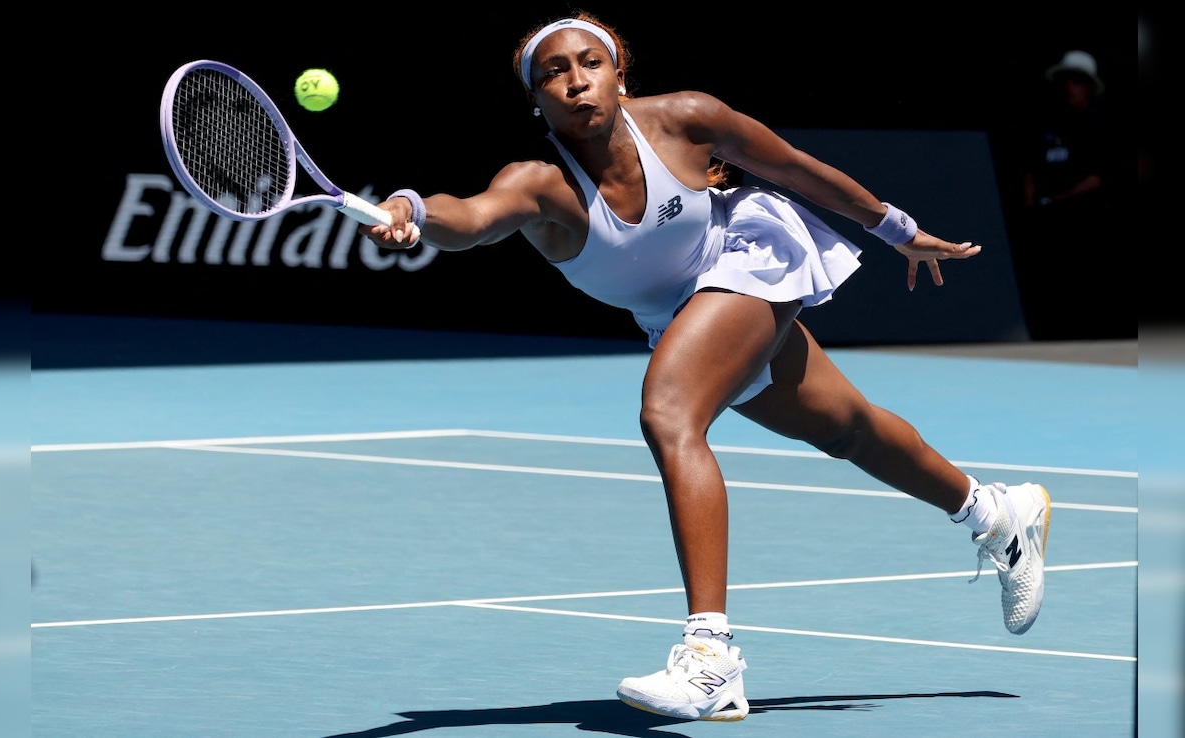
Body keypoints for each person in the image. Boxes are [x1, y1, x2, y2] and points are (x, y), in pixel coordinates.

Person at [360, 12, 1052, 722]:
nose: (574, 82)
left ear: (619, 72)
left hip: (745, 253)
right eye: (552, 75)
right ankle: (995, 513)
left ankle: (710, 656)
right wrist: (411, 208)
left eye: (589, 63)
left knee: (669, 412)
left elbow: (792, 168)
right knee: (849, 430)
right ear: (534, 101)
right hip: (680, 313)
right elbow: (468, 218)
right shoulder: (539, 186)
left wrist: (896, 229)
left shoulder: (684, 120)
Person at [1011, 49, 1120, 339]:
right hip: (1049, 230)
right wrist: (1033, 202)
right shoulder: (1045, 124)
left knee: (1090, 294)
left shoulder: (1101, 126)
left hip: (1088, 228)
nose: (1068, 86)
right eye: (1064, 80)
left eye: (1075, 80)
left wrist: (1057, 201)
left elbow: (1100, 177)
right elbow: (1029, 168)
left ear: (1088, 86)